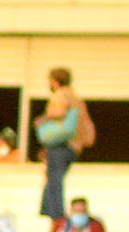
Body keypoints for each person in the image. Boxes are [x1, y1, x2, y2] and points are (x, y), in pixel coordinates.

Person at [34, 68, 86, 222]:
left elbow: (59, 113)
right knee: (53, 180)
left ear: (55, 81)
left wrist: (42, 120)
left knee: (54, 182)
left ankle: (57, 218)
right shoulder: (76, 97)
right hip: (73, 147)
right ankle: (52, 215)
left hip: (61, 145)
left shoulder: (61, 94)